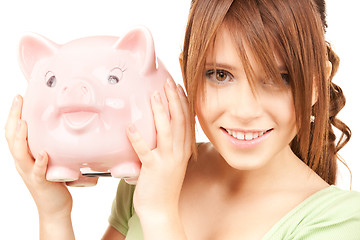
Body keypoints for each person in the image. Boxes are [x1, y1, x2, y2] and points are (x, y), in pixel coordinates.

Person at [5, 0, 360, 239]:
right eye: (220, 75)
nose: (245, 110)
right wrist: (53, 213)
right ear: (186, 73)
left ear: (316, 84)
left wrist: (160, 213)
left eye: (278, 78)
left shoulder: (341, 221)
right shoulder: (159, 169)